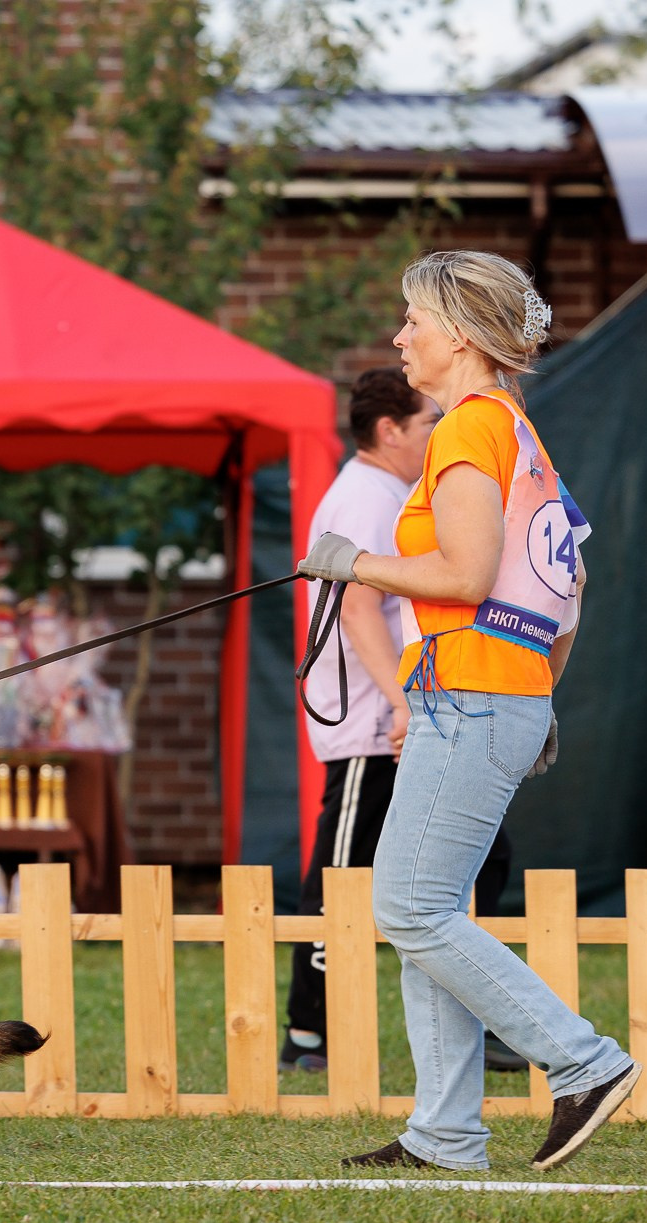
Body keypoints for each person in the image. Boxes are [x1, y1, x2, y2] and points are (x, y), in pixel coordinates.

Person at [298, 251, 638, 1172]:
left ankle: (584, 1061)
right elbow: (570, 588)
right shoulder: (517, 432)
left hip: (470, 695)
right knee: (431, 907)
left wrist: (353, 564)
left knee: (408, 905)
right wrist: (535, 688)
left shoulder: (464, 433)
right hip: (494, 693)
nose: (400, 337)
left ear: (458, 333)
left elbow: (463, 574)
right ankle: (445, 1135)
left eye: (412, 320)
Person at [284, 368, 525, 1078]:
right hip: (373, 725)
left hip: (403, 714)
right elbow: (358, 606)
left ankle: (478, 1014)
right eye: (427, 423)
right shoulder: (364, 495)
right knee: (342, 875)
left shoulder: (393, 491)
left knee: (482, 857)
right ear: (389, 430)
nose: (436, 433)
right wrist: (401, 700)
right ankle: (308, 1034)